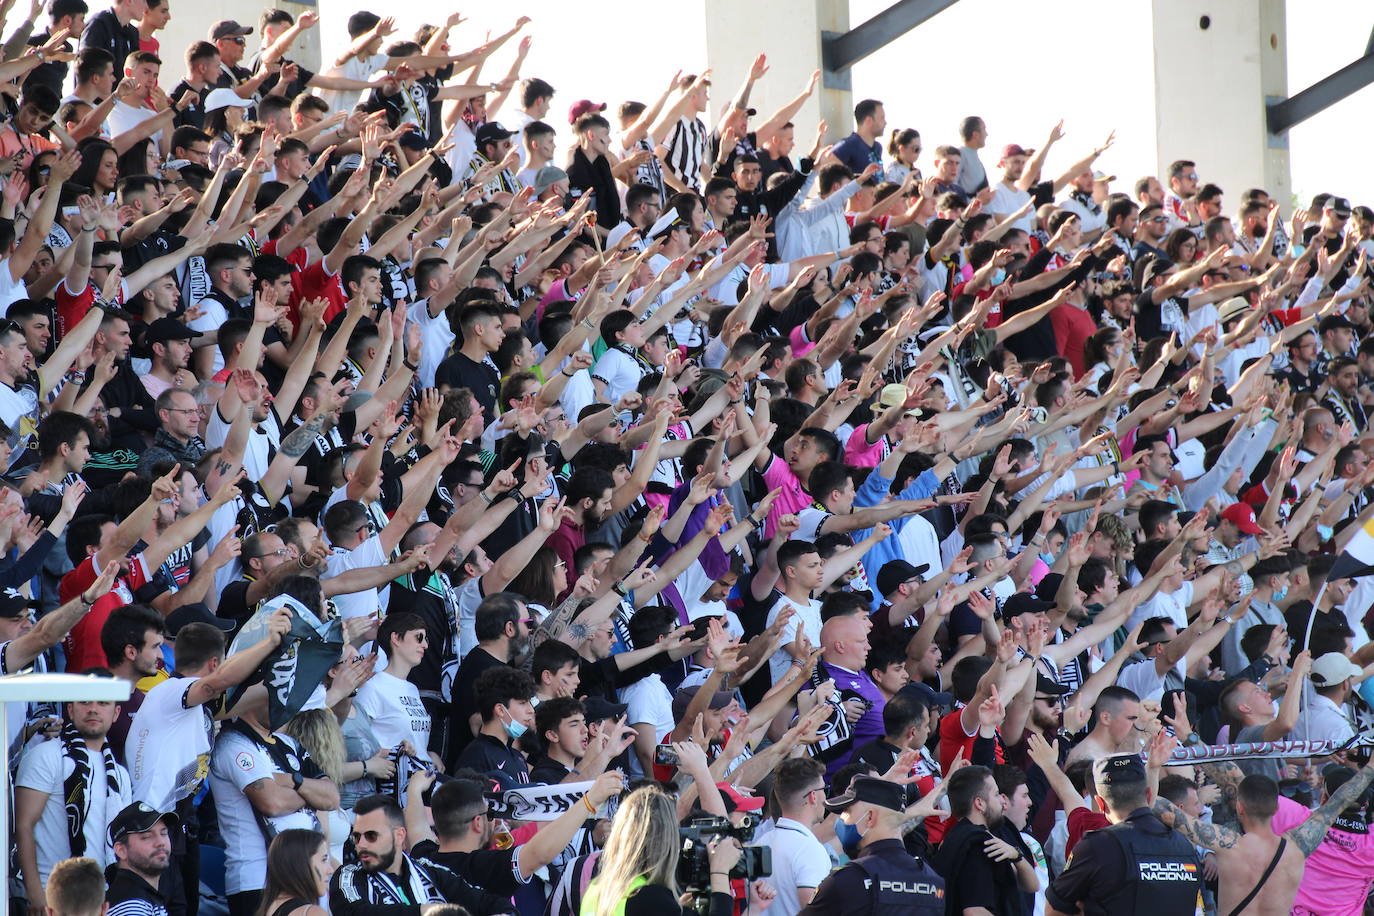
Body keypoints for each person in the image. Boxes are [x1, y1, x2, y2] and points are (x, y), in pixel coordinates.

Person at [1046, 754, 1203, 916]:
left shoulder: (1097, 845)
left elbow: (1054, 909)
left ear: (1100, 804)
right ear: (1149, 795)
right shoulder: (1184, 846)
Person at [800, 775, 945, 916]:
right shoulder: (934, 882)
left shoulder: (846, 880)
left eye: (847, 812)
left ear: (870, 817)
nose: (842, 820)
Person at [585, 784, 737, 916]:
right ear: (666, 839)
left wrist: (678, 909)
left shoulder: (595, 889)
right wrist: (720, 873)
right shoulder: (648, 896)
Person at [256, 829, 335, 916]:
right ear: (301, 863)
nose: (331, 870)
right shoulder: (312, 913)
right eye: (324, 859)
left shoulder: (269, 908)